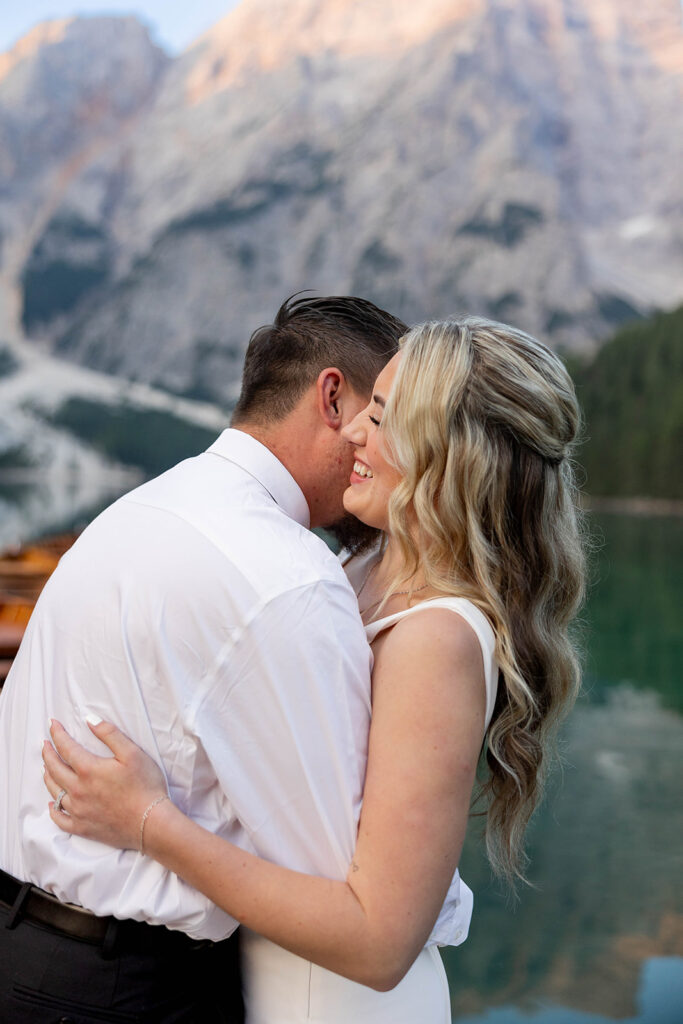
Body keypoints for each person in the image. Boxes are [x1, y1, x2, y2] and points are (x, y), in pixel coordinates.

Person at [42, 316, 587, 1023]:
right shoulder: (359, 566)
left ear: (447, 452)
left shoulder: (439, 637)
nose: (355, 431)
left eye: (383, 416)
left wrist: (149, 822)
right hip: (267, 985)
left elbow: (379, 940)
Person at [0, 294, 407, 1022]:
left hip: (25, 950)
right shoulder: (286, 577)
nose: (390, 451)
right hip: (129, 989)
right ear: (334, 398)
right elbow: (344, 885)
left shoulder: (139, 509)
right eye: (386, 420)